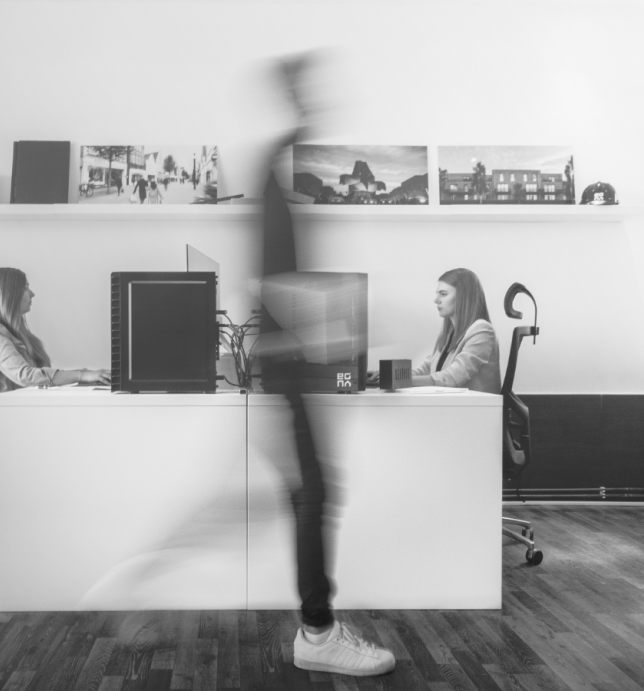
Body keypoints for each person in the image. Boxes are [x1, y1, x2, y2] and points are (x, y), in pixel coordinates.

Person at [257, 52, 395, 678]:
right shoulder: (274, 174)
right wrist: (325, 329)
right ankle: (317, 632)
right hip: (289, 367)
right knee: (314, 493)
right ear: (293, 94)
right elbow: (275, 286)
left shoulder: (279, 171)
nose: (324, 101)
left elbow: (279, 285)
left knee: (311, 491)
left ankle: (317, 626)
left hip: (293, 364)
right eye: (310, 89)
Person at [0, 267, 109, 391]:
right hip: (14, 405)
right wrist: (82, 376)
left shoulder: (12, 331)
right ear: (9, 294)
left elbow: (40, 376)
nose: (32, 294)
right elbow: (26, 376)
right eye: (26, 288)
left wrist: (87, 375)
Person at [409, 268, 502, 394]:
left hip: (474, 406)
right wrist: (394, 377)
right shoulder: (450, 333)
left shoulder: (482, 330)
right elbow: (427, 368)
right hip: (453, 403)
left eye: (443, 294)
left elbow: (452, 378)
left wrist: (405, 381)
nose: (436, 300)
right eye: (437, 294)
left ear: (463, 297)